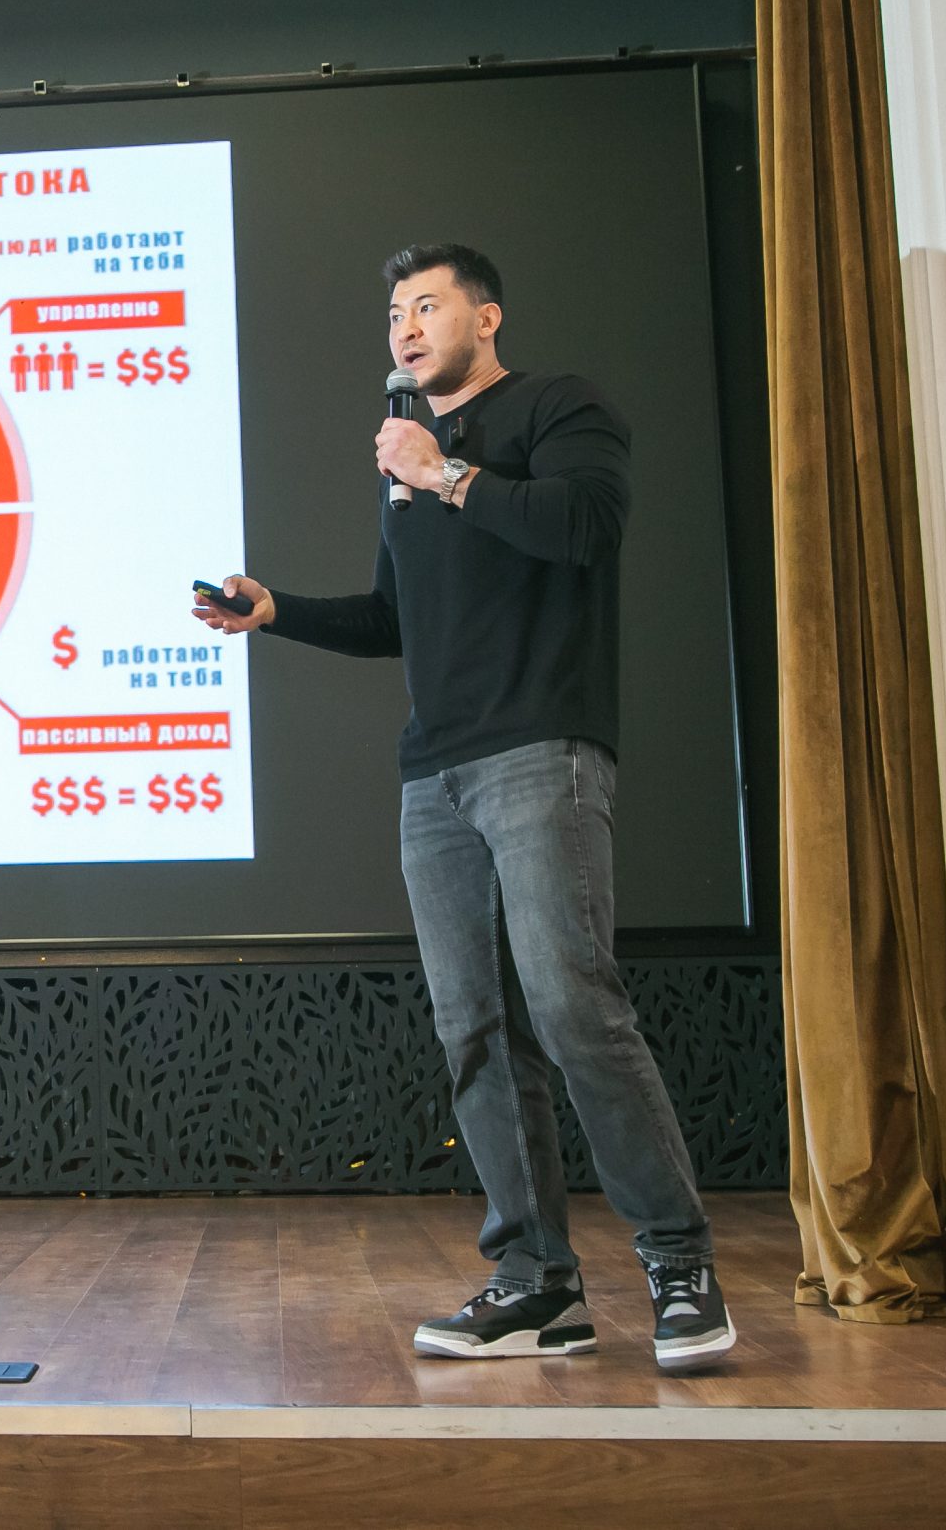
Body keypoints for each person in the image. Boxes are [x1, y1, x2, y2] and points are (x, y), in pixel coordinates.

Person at [190, 243, 733, 1372]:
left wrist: (446, 476)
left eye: (426, 304)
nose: (404, 325)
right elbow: (397, 618)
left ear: (486, 317)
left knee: (573, 1005)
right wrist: (276, 610)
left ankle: (680, 1265)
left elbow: (585, 526)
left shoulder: (556, 407)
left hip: (540, 750)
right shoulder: (408, 461)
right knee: (475, 1030)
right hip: (433, 777)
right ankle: (537, 1284)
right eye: (394, 310)